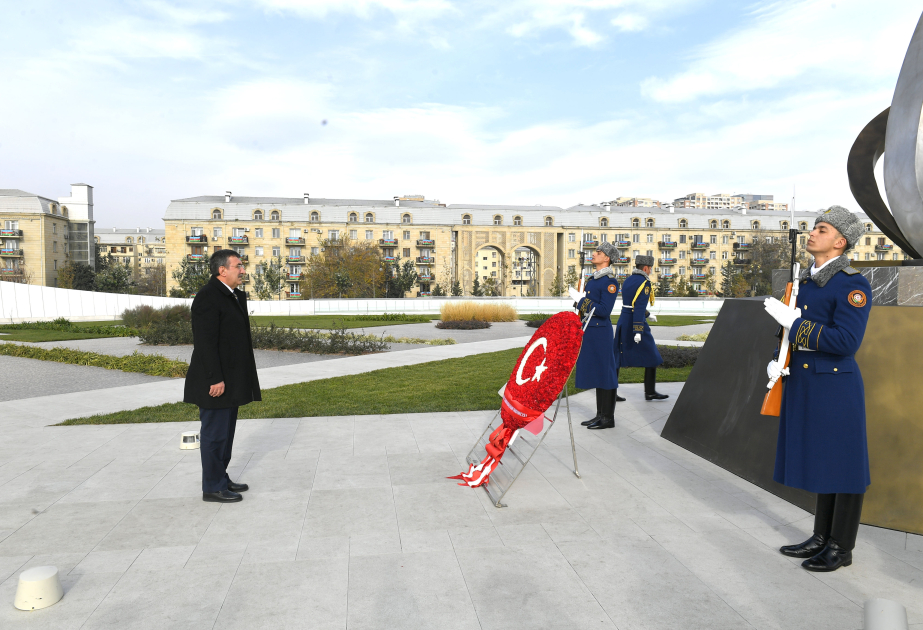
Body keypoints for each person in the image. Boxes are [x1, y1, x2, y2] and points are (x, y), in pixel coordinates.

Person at [763, 206, 871, 572]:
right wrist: (780, 356)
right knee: (826, 463)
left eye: (821, 230)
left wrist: (796, 326)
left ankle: (842, 547)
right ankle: (822, 537)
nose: (812, 234)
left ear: (840, 242)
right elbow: (789, 329)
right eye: (814, 228)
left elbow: (846, 340)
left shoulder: (851, 284)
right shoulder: (806, 281)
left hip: (835, 384)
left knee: (845, 466)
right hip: (807, 381)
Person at [184, 249, 262, 503]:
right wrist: (214, 378)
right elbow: (205, 343)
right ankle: (212, 487)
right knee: (215, 435)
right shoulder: (208, 297)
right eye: (238, 266)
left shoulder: (233, 296)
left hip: (232, 381)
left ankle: (221, 477)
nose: (243, 270)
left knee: (225, 435)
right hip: (215, 382)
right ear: (222, 270)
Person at [570, 241, 620, 430]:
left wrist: (582, 300)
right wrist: (578, 303)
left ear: (606, 258)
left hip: (601, 332)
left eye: (598, 252)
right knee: (599, 374)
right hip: (590, 331)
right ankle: (600, 415)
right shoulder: (593, 280)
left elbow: (604, 310)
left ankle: (608, 418)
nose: (594, 254)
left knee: (606, 375)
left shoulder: (610, 282)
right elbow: (587, 307)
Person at [614, 255, 667, 401]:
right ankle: (650, 392)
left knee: (618, 357)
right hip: (635, 321)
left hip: (623, 320)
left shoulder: (628, 280)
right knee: (653, 356)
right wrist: (638, 330)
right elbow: (637, 308)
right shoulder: (644, 283)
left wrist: (648, 314)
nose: (650, 271)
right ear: (645, 268)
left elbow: (631, 303)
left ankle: (611, 393)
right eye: (650, 269)